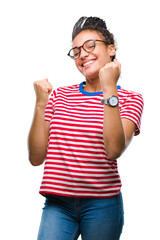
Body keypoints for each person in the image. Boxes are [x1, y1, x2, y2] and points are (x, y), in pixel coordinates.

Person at [28, 16, 144, 240]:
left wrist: (109, 87)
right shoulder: (59, 96)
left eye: (90, 46)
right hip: (57, 203)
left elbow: (114, 150)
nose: (82, 54)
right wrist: (41, 103)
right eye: (76, 51)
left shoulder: (131, 99)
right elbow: (35, 157)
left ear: (111, 49)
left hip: (103, 204)